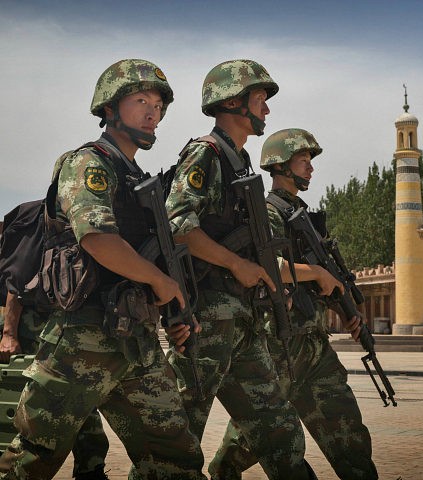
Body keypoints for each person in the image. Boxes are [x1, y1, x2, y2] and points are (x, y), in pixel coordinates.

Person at [0, 59, 206, 480]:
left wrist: (174, 312)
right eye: (141, 100)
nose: (153, 112)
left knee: (176, 459)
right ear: (110, 109)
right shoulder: (90, 164)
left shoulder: (137, 180)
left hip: (138, 343)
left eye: (159, 105)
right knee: (32, 459)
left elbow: (152, 260)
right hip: (83, 339)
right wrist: (159, 281)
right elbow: (97, 240)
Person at [164, 60, 315, 479]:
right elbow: (178, 224)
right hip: (208, 321)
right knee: (175, 443)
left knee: (281, 434)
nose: (266, 110)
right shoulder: (206, 154)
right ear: (232, 101)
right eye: (260, 100)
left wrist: (264, 279)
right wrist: (237, 264)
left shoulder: (241, 161)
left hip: (244, 321)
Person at [209, 128, 378, 479]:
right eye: (304, 161)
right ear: (281, 166)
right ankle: (224, 472)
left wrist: (341, 307)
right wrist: (316, 272)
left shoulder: (304, 217)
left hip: (314, 344)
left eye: (310, 162)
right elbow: (271, 267)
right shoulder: (267, 213)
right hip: (279, 345)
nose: (311, 169)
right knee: (255, 437)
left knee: (346, 428)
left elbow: (322, 282)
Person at [0, 292, 110, 480]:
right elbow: (16, 283)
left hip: (67, 323)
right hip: (32, 324)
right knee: (37, 405)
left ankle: (91, 468)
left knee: (80, 398)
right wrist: (9, 333)